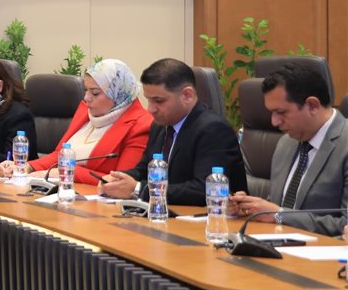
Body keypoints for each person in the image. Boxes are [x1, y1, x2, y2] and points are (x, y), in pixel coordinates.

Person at [99, 58, 245, 204]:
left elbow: (205, 189)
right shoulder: (160, 125)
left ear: (187, 95)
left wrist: (139, 189)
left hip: (208, 216)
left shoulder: (214, 130)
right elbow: (143, 170)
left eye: (159, 101)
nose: (150, 109)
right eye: (149, 100)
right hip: (165, 212)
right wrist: (116, 180)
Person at [229, 62, 347, 236]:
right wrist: (250, 208)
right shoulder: (286, 143)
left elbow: (345, 224)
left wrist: (279, 215)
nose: (274, 122)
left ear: (312, 105)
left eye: (281, 112)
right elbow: (277, 205)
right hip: (275, 241)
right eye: (271, 113)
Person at [0, 59, 152, 184]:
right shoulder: (86, 112)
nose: (86, 98)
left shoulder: (140, 125)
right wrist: (28, 166)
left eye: (95, 93)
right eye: (86, 90)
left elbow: (120, 182)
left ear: (118, 94)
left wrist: (67, 172)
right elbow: (60, 154)